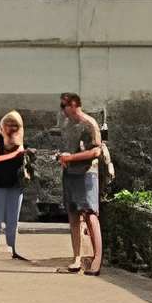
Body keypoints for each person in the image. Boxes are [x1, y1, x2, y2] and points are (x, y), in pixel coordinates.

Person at [57, 92, 108, 276]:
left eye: (64, 107)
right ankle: (77, 258)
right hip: (70, 173)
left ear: (74, 105)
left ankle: (97, 259)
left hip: (87, 174)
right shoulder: (67, 125)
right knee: (73, 215)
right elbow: (69, 148)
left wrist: (71, 157)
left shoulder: (90, 124)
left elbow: (95, 152)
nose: (62, 111)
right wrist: (63, 157)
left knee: (90, 214)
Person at [0, 111, 31, 259]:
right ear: (2, 125)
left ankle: (13, 249)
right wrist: (16, 153)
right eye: (8, 124)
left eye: (15, 125)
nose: (11, 128)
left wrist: (27, 154)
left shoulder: (19, 138)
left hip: (16, 181)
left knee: (13, 219)